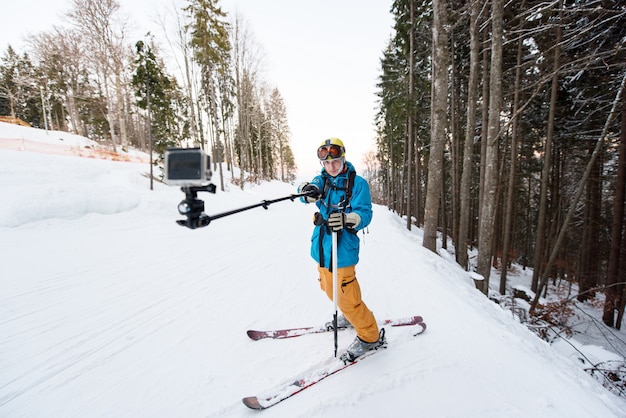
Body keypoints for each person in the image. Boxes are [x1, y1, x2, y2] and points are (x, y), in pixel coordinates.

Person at [298, 138, 386, 362]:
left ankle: (370, 336)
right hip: (322, 246)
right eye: (327, 163)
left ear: (343, 159)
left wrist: (348, 218)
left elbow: (365, 213)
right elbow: (305, 190)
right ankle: (348, 315)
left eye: (335, 162)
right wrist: (306, 191)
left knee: (346, 294)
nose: (331, 167)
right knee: (328, 287)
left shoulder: (358, 184)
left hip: (343, 248)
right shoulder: (323, 180)